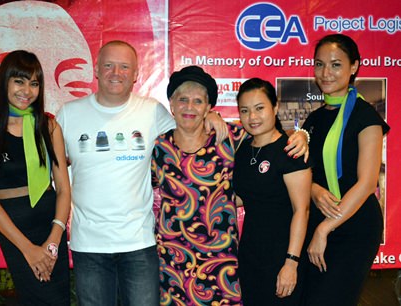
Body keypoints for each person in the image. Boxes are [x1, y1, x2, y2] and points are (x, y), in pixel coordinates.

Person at [56, 41, 228, 306]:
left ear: (136, 74)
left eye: (124, 66)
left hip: (139, 243)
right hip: (88, 245)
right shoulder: (69, 114)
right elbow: (49, 170)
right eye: (109, 65)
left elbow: (188, 128)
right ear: (96, 70)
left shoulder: (152, 111)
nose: (116, 72)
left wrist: (210, 116)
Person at [151, 66, 309, 305]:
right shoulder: (159, 147)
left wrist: (302, 135)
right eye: (182, 99)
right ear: (171, 104)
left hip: (221, 261)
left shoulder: (228, 137)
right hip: (175, 260)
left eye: (198, 101)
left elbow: (270, 137)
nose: (189, 107)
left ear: (208, 107)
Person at [0, 50, 71, 305]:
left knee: (58, 300)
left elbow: (63, 190)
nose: (27, 90)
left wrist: (53, 241)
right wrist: (29, 250)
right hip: (14, 231)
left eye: (34, 83)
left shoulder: (48, 127)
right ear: (4, 82)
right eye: (19, 81)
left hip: (50, 227)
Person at [301, 34, 390, 306]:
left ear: (354, 67)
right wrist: (315, 191)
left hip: (353, 226)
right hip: (317, 220)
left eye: (336, 64)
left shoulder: (366, 117)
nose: (326, 73)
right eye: (320, 64)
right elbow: (305, 174)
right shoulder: (314, 119)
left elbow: (366, 183)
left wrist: (324, 229)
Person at [232, 78, 312, 305]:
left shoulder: (290, 150)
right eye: (245, 111)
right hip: (251, 254)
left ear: (275, 108)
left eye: (260, 108)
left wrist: (291, 263)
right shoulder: (243, 150)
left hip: (283, 254)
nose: (252, 117)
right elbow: (243, 196)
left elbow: (301, 210)